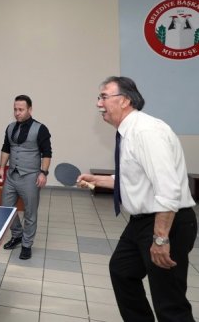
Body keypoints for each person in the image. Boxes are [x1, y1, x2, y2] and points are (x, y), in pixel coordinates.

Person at [77, 76, 196, 322]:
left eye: (104, 97)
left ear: (125, 100)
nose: (99, 103)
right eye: (99, 97)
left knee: (169, 303)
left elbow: (168, 189)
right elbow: (135, 179)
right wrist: (98, 180)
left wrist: (160, 238)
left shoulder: (145, 131)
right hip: (141, 222)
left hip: (166, 222)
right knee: (122, 271)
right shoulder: (128, 132)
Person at [0, 95, 52, 260]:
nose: (17, 113)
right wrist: (1, 168)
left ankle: (27, 245)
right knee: (6, 208)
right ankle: (17, 235)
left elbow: (47, 153)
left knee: (30, 213)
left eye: (21, 109)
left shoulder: (41, 129)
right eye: (15, 109)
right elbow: (6, 149)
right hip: (12, 175)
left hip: (30, 177)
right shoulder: (10, 127)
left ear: (30, 110)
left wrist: (43, 173)